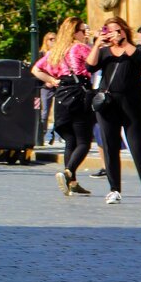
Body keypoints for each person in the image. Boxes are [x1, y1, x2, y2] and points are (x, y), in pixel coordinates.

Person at [86, 16, 141, 205]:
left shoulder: (136, 50)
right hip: (108, 104)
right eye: (110, 30)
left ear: (125, 30)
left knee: (138, 147)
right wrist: (97, 44)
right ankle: (114, 189)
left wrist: (123, 41)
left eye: (117, 29)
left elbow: (140, 58)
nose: (114, 34)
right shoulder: (105, 52)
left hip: (131, 104)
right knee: (110, 146)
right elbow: (89, 66)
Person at [31, 17, 95, 197]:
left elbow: (36, 69)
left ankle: (72, 182)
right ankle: (68, 172)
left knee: (70, 140)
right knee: (84, 141)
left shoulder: (56, 51)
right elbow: (93, 64)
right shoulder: (79, 47)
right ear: (75, 32)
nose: (85, 33)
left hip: (62, 96)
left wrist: (52, 80)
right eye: (83, 30)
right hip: (79, 94)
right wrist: (94, 45)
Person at [37, 32, 58, 145]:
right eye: (50, 39)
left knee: (59, 112)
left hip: (57, 84)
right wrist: (47, 81)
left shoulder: (59, 54)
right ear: (46, 41)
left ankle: (53, 135)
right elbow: (36, 70)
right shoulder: (41, 54)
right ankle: (41, 135)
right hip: (46, 86)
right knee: (44, 112)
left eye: (55, 39)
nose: (53, 41)